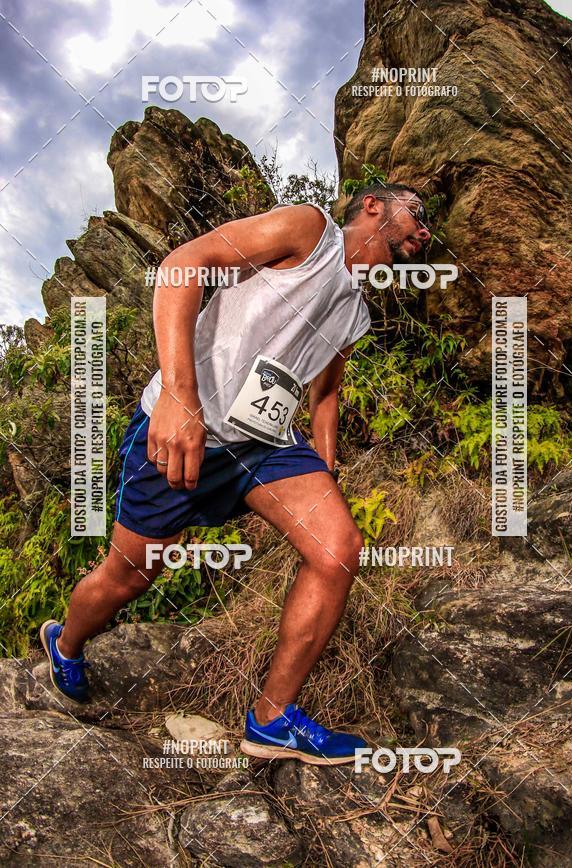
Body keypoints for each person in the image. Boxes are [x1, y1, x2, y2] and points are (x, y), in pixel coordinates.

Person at [40, 183, 431, 765]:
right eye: (416, 215)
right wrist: (178, 394)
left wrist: (324, 464)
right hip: (183, 425)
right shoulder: (309, 230)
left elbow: (326, 392)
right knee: (128, 576)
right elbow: (181, 266)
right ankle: (65, 643)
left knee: (338, 548)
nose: (423, 233)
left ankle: (272, 720)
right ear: (372, 205)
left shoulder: (355, 310)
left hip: (265, 444)